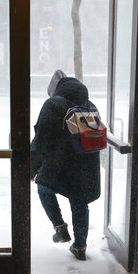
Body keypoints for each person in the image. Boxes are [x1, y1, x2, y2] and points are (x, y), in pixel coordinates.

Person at [31, 69, 101, 261]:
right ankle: (80, 246)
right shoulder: (89, 104)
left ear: (54, 89)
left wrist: (30, 168)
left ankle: (60, 228)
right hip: (86, 165)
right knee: (79, 201)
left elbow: (41, 140)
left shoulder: (53, 104)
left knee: (44, 188)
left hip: (60, 165)